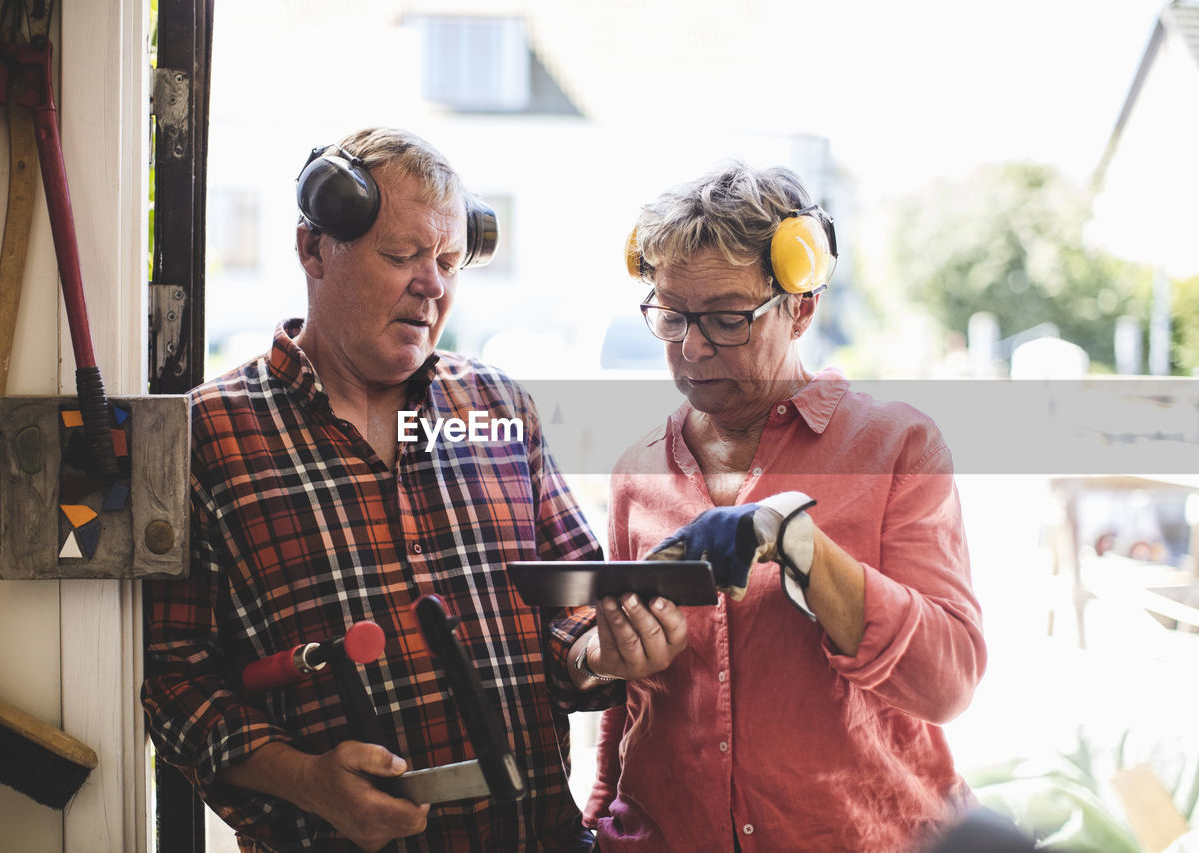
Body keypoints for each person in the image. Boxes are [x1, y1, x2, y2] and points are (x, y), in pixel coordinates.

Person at [140, 128, 685, 853]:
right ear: (313, 249)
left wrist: (602, 654)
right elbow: (175, 681)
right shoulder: (209, 435)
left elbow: (571, 610)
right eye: (401, 256)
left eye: (450, 261)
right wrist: (306, 778)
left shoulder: (499, 408)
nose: (432, 284)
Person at [575, 161, 989, 851]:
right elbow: (632, 703)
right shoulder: (636, 471)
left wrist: (803, 546)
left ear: (801, 307)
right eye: (672, 315)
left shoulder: (897, 447)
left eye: (728, 319)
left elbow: (947, 682)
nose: (693, 346)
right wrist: (596, 820)